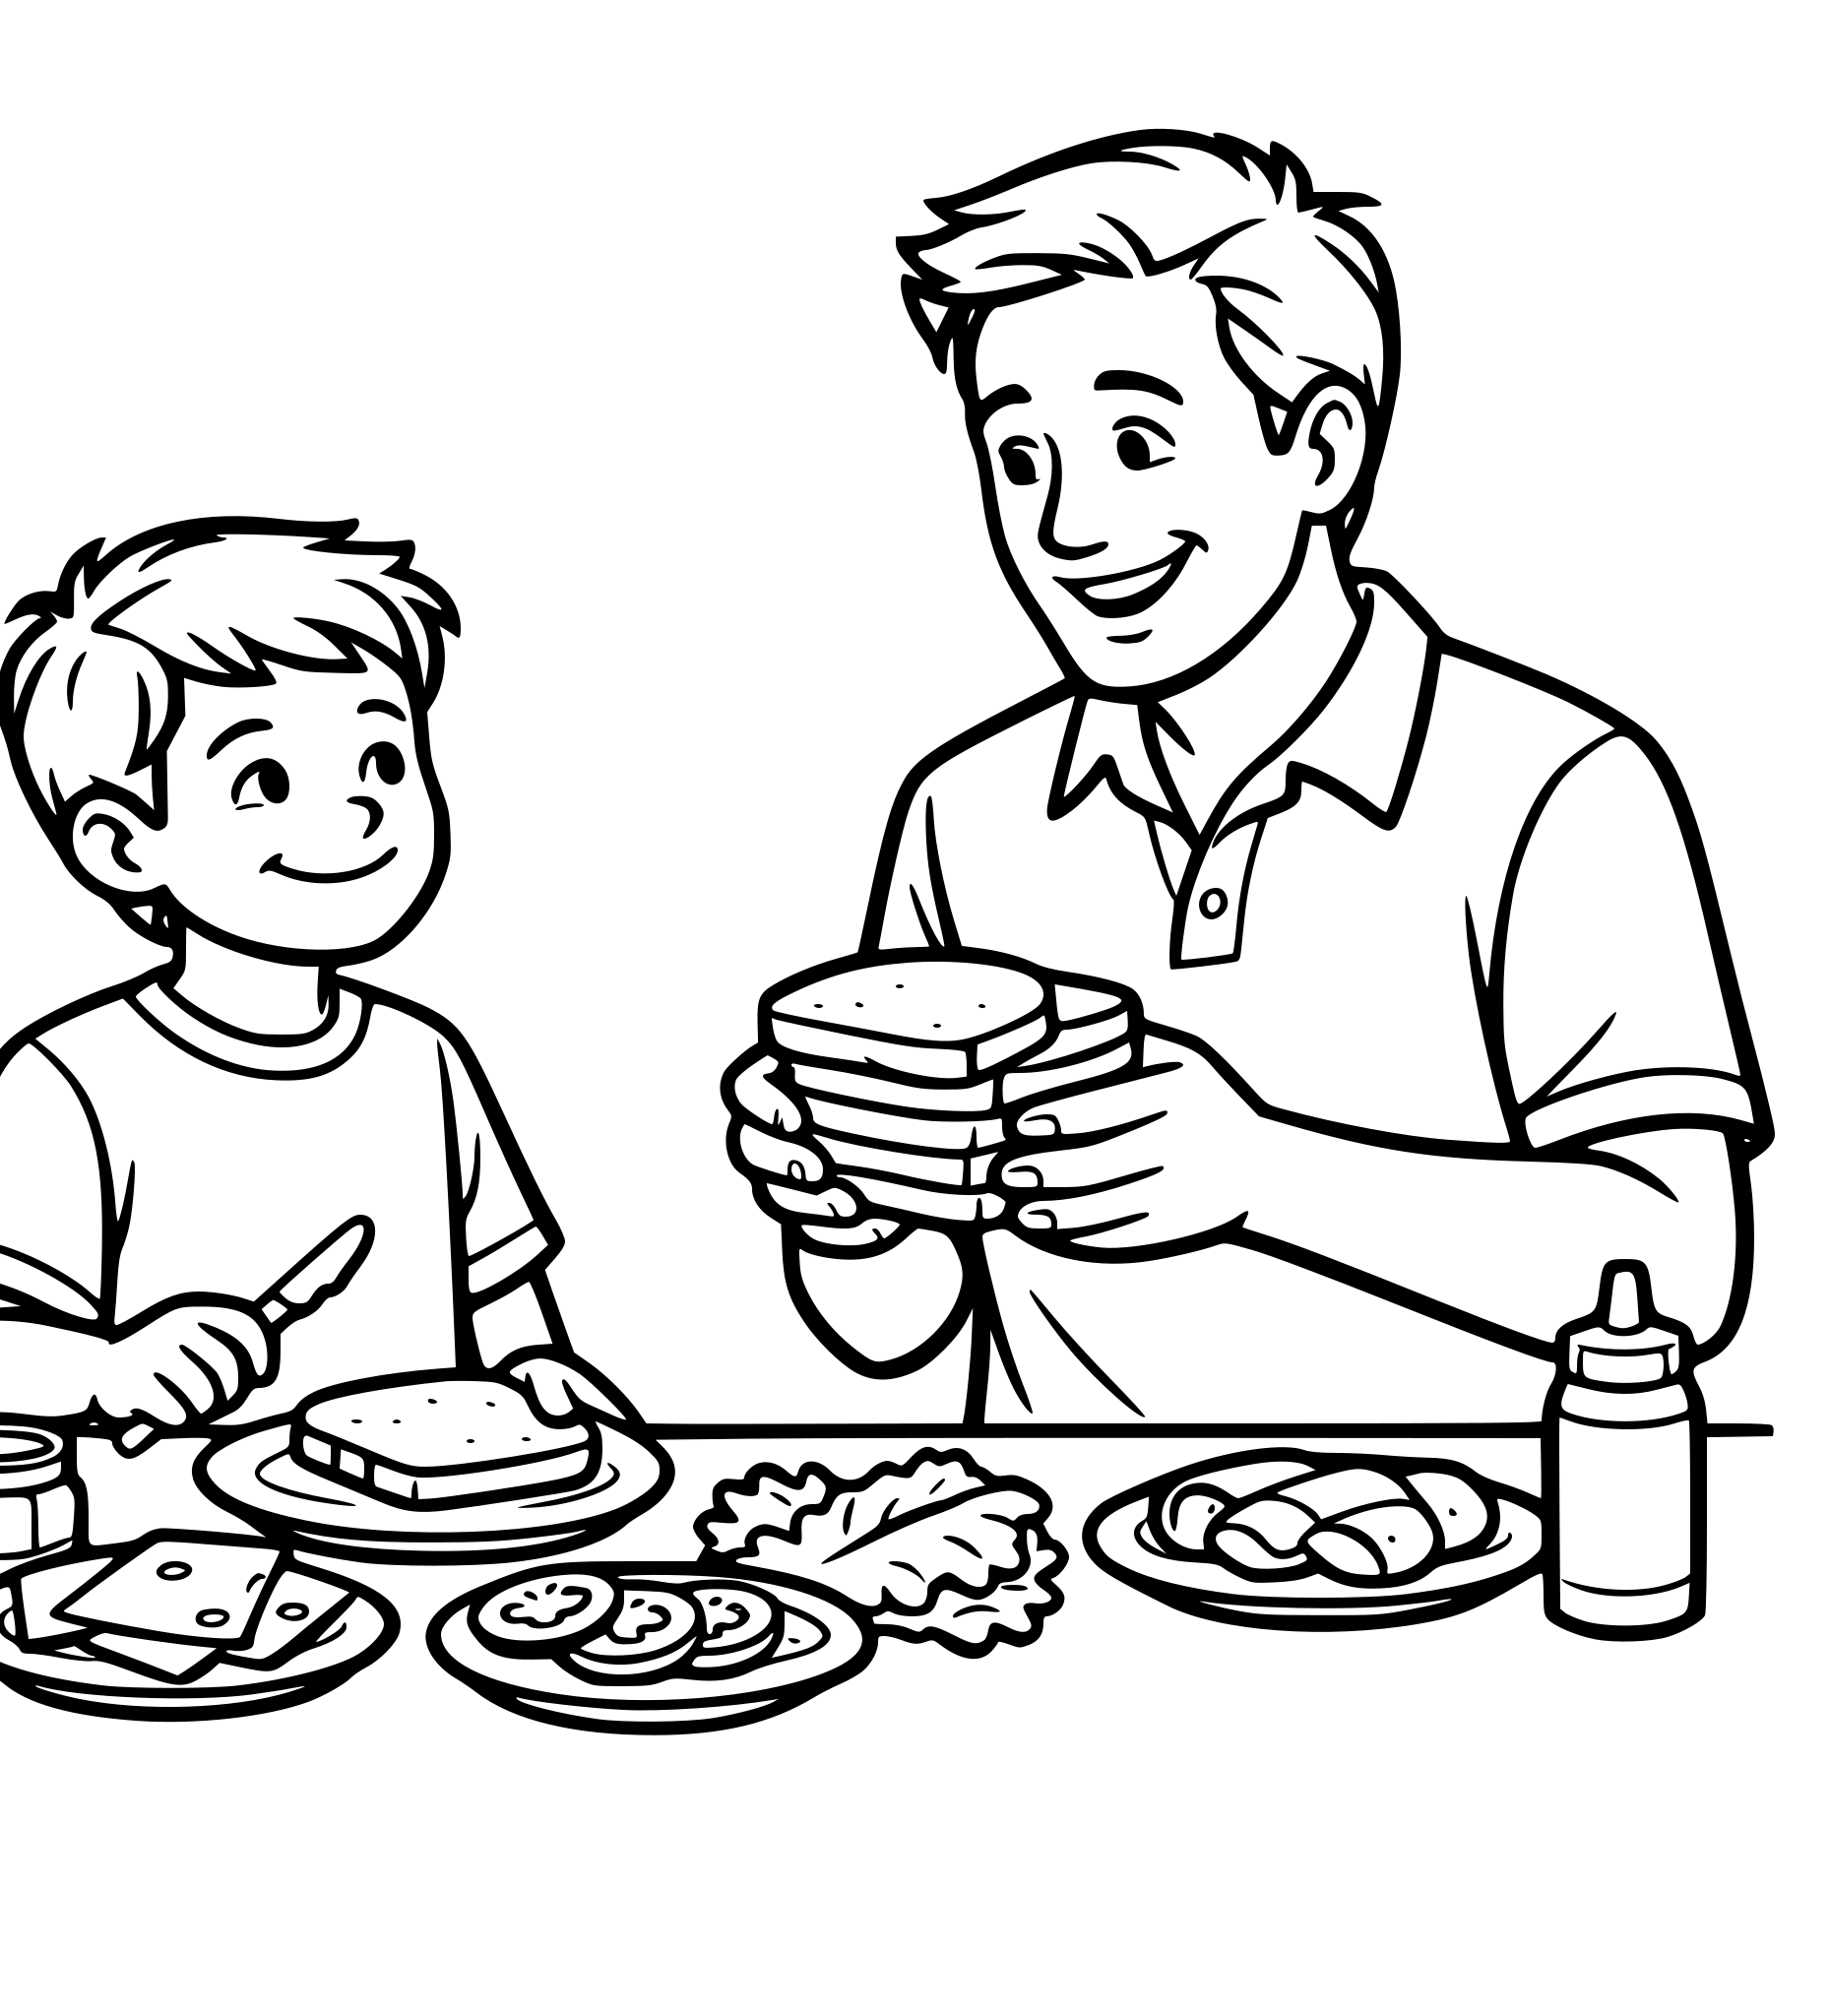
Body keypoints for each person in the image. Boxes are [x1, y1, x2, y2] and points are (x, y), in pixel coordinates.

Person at [724, 132, 1768, 1422]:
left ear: (1319, 450)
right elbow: (894, 1331)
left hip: (1474, 1556)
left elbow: (1682, 1267)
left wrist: (1265, 1172)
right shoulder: (964, 810)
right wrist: (844, 1210)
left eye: (1140, 445)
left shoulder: (1559, 787)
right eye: (1020, 459)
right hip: (1073, 1563)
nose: (1067, 528)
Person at [0, 517, 631, 1434]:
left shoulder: (426, 1059)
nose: (360, 807)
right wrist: (107, 1367)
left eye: (383, 759)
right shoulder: (69, 1079)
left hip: (427, 1536)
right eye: (268, 780)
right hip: (179, 1545)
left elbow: (498, 1302)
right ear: (123, 844)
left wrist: (538, 1372)